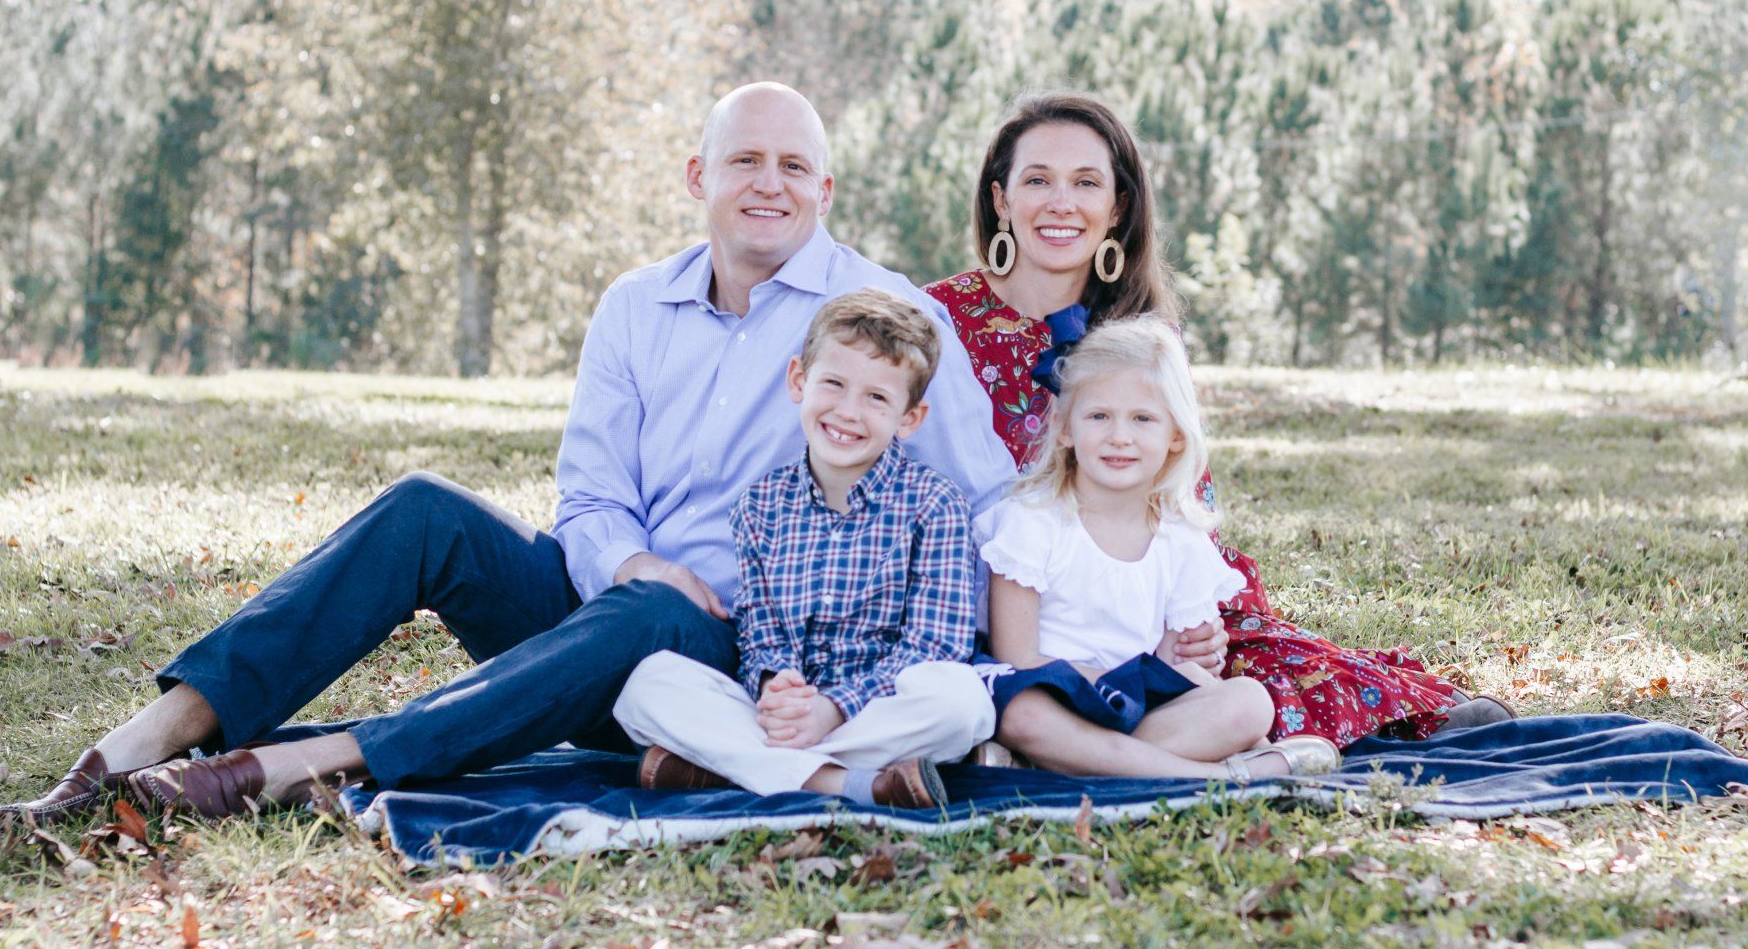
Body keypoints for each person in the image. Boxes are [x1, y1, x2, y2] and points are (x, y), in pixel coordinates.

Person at [0, 82, 1018, 824]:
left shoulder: (885, 319)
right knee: (426, 511)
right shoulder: (635, 305)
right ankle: (149, 736)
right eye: (745, 158)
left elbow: (983, 505)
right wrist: (630, 561)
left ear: (826, 187)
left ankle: (317, 759)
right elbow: (588, 500)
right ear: (698, 174)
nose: (769, 182)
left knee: (663, 612)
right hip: (606, 606)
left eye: (794, 164)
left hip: (743, 666)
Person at [926, 92, 1513, 750]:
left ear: (1117, 208)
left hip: (1133, 572)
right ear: (1001, 199)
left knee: (1240, 668)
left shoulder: (1143, 332)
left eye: (1086, 183)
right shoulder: (936, 321)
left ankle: (1402, 712)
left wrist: (1192, 619)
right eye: (1038, 180)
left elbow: (1183, 486)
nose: (1061, 202)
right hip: (992, 590)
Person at [614, 290, 993, 808]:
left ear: (910, 417)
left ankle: (735, 768)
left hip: (875, 712)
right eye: (833, 384)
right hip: (785, 718)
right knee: (647, 686)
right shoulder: (761, 505)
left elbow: (934, 646)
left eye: (877, 398)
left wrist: (832, 709)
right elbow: (761, 632)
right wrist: (775, 686)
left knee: (962, 704)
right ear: (799, 380)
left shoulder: (934, 504)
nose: (848, 411)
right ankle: (849, 784)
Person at [978, 317, 1337, 780]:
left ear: (1176, 436)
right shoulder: (1032, 521)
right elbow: (1016, 655)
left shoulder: (1178, 537)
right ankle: (1219, 776)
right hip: (1054, 694)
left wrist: (1231, 711)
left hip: (1140, 704)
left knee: (1248, 703)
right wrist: (1105, 687)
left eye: (1142, 418)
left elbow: (1182, 662)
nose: (1119, 436)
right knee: (1019, 715)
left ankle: (1065, 764)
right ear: (1065, 428)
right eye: (1099, 416)